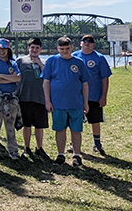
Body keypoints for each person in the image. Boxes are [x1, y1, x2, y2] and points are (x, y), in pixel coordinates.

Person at [43, 36, 90, 167]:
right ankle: (61, 154)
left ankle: (77, 155)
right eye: (61, 49)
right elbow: (46, 82)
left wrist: (85, 102)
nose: (64, 51)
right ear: (57, 48)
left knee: (76, 130)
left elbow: (85, 83)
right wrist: (48, 101)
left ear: (72, 48)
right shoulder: (51, 61)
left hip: (75, 102)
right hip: (58, 103)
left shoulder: (79, 62)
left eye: (67, 49)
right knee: (60, 129)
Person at [72, 34, 112, 156]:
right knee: (75, 120)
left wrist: (104, 96)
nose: (87, 43)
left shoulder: (99, 58)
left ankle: (97, 143)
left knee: (95, 121)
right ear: (80, 43)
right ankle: (73, 144)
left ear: (93, 44)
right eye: (84, 41)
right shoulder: (74, 56)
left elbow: (105, 78)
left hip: (94, 96)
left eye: (90, 42)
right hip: (77, 96)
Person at [16, 38, 50, 160]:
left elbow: (48, 77)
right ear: (28, 48)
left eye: (37, 48)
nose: (34, 50)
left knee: (39, 125)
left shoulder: (45, 62)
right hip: (24, 97)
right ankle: (26, 148)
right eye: (32, 47)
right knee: (27, 125)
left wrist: (39, 64)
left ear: (40, 49)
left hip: (40, 97)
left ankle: (39, 148)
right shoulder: (20, 61)